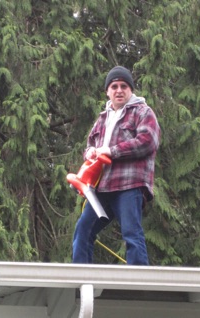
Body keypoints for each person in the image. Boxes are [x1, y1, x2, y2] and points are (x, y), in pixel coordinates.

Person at [72, 66, 160, 265]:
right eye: (114, 86)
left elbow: (148, 141)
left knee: (131, 233)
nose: (119, 90)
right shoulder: (102, 119)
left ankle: (139, 285)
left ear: (131, 90)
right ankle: (80, 279)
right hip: (101, 188)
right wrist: (90, 153)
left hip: (129, 185)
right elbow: (89, 146)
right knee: (83, 231)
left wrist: (112, 151)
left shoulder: (143, 112)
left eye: (123, 86)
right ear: (107, 91)